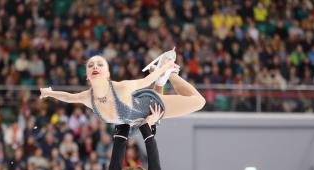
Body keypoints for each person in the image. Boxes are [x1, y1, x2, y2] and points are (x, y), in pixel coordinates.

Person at [39, 49, 205, 129]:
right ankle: (162, 75)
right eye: (91, 65)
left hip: (148, 106)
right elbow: (69, 97)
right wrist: (49, 92)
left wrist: (166, 68)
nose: (95, 66)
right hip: (145, 117)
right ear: (87, 76)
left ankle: (167, 74)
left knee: (199, 102)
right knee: (161, 100)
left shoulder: (122, 87)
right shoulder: (87, 97)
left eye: (100, 64)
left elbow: (147, 79)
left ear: (107, 73)